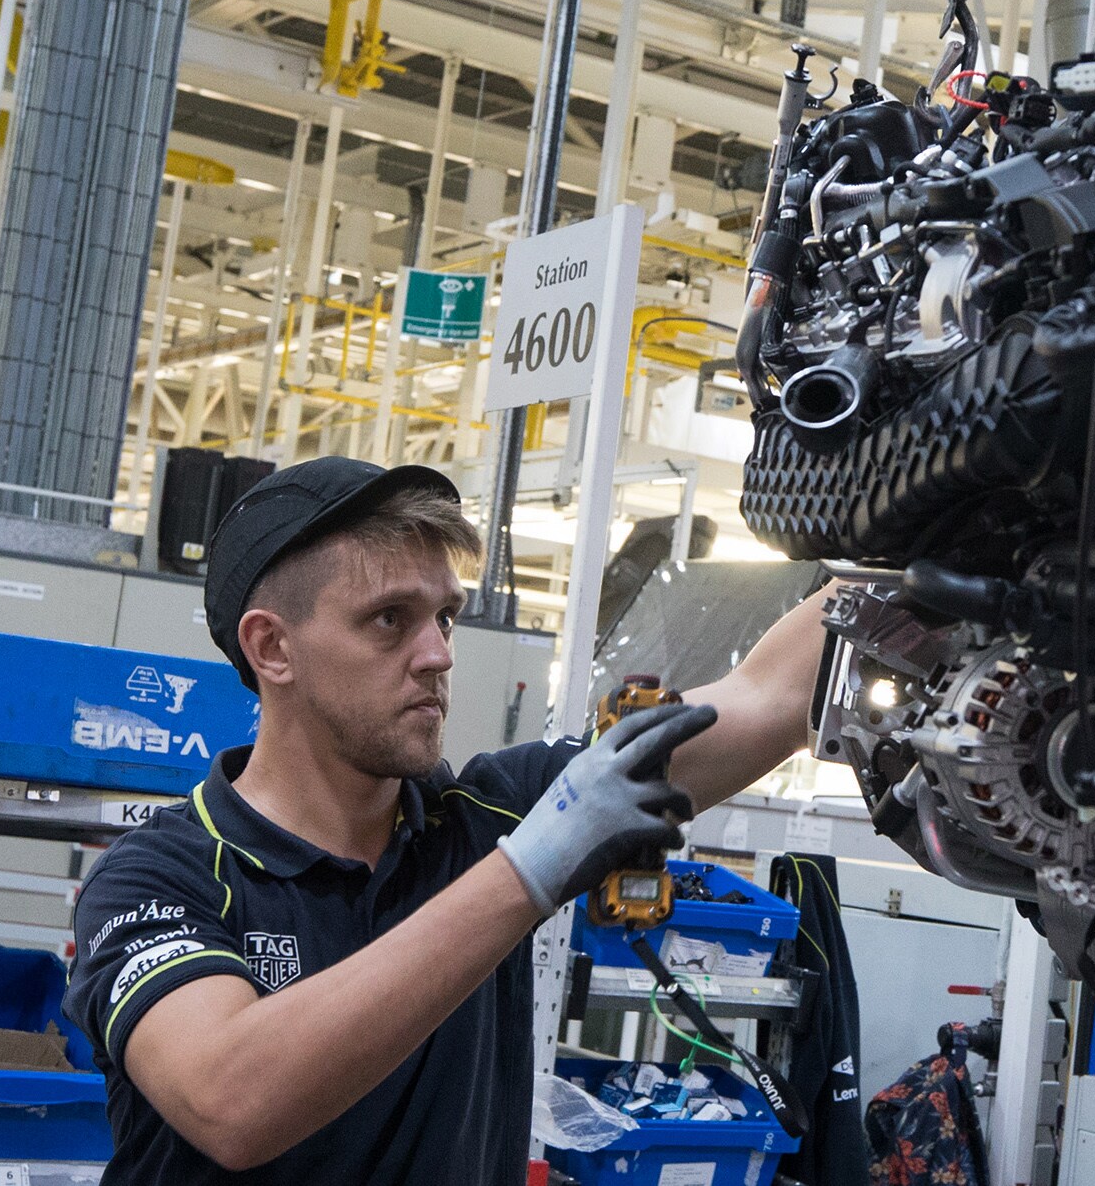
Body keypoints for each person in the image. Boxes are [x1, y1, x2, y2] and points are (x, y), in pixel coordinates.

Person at [64, 457, 828, 1183]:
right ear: (272, 647)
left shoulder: (490, 813)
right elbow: (229, 1101)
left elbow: (771, 698)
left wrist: (894, 535)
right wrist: (528, 869)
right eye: (389, 619)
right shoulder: (160, 876)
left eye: (446, 618)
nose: (437, 654)